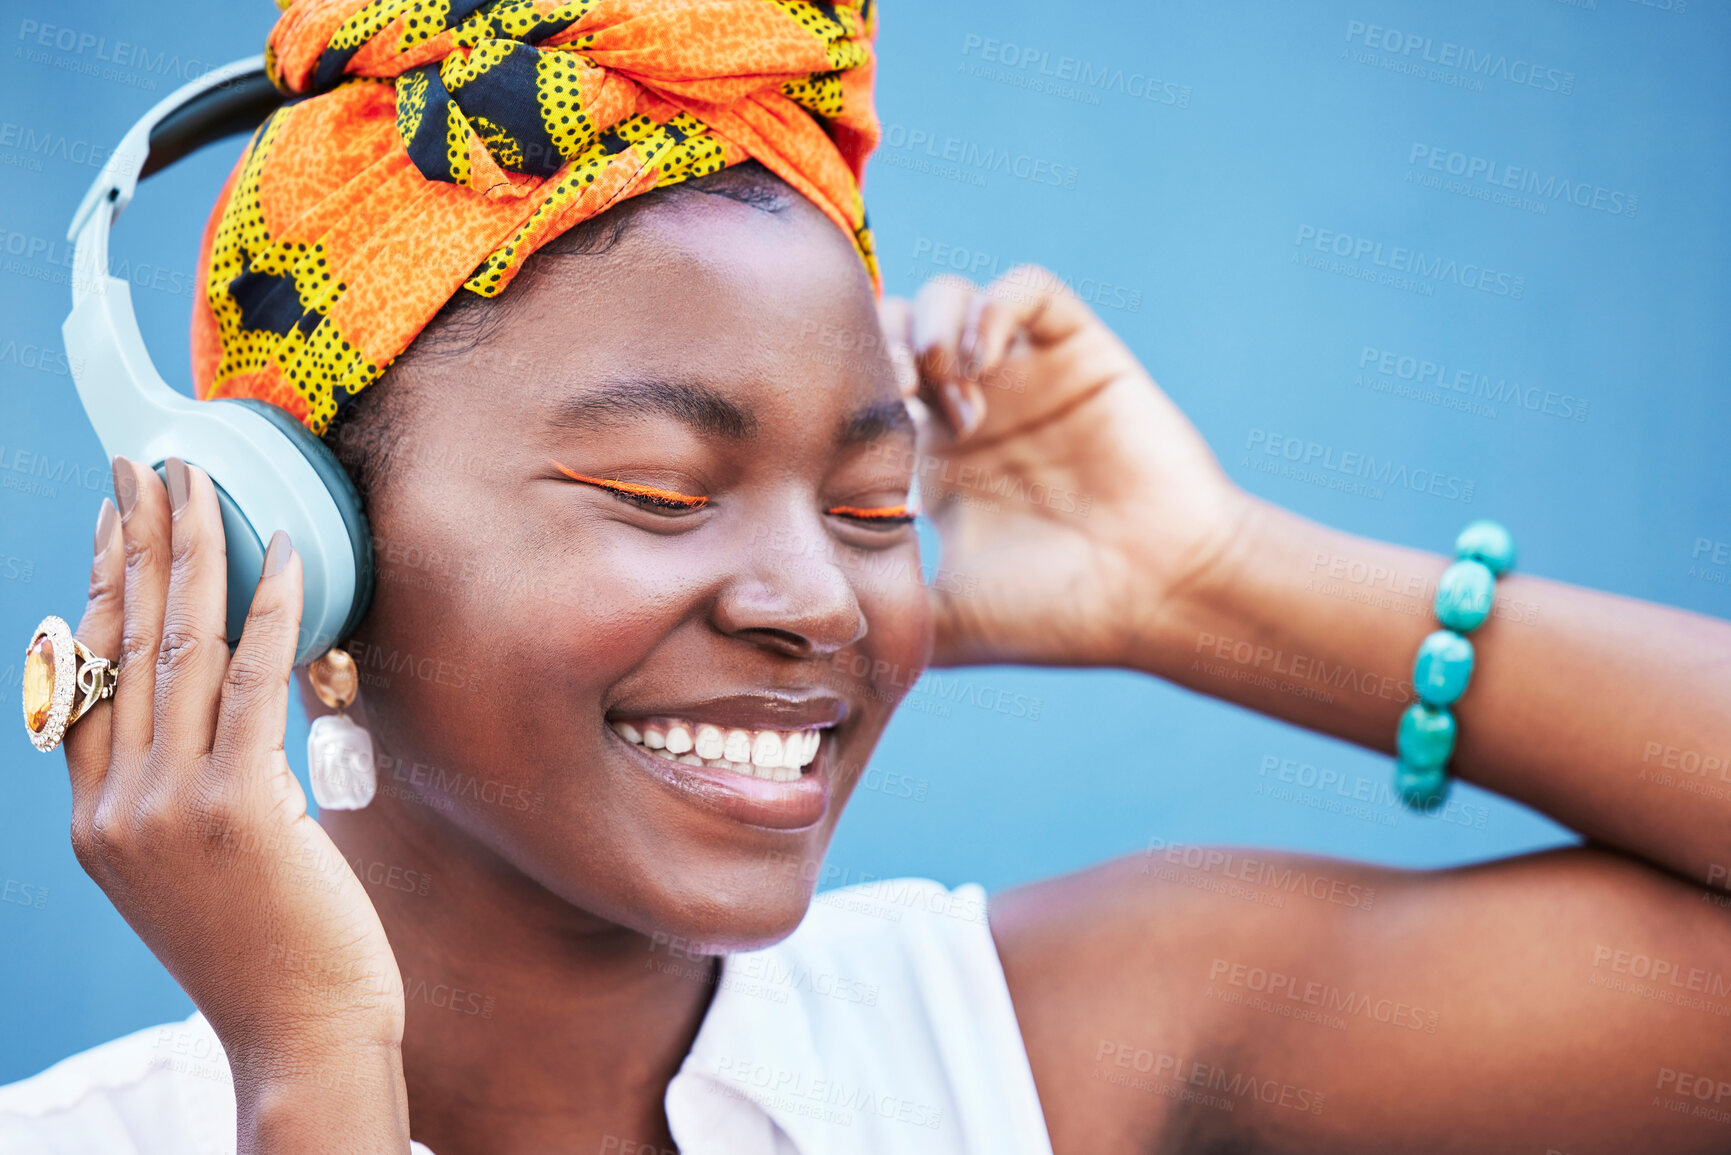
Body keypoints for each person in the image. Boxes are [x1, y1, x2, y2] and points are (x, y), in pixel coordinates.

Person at [6, 1, 1730, 1152]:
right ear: (292, 553)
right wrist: (313, 1072)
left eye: (874, 501)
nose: (818, 603)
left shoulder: (1043, 1051)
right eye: (659, 488)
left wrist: (1208, 581)